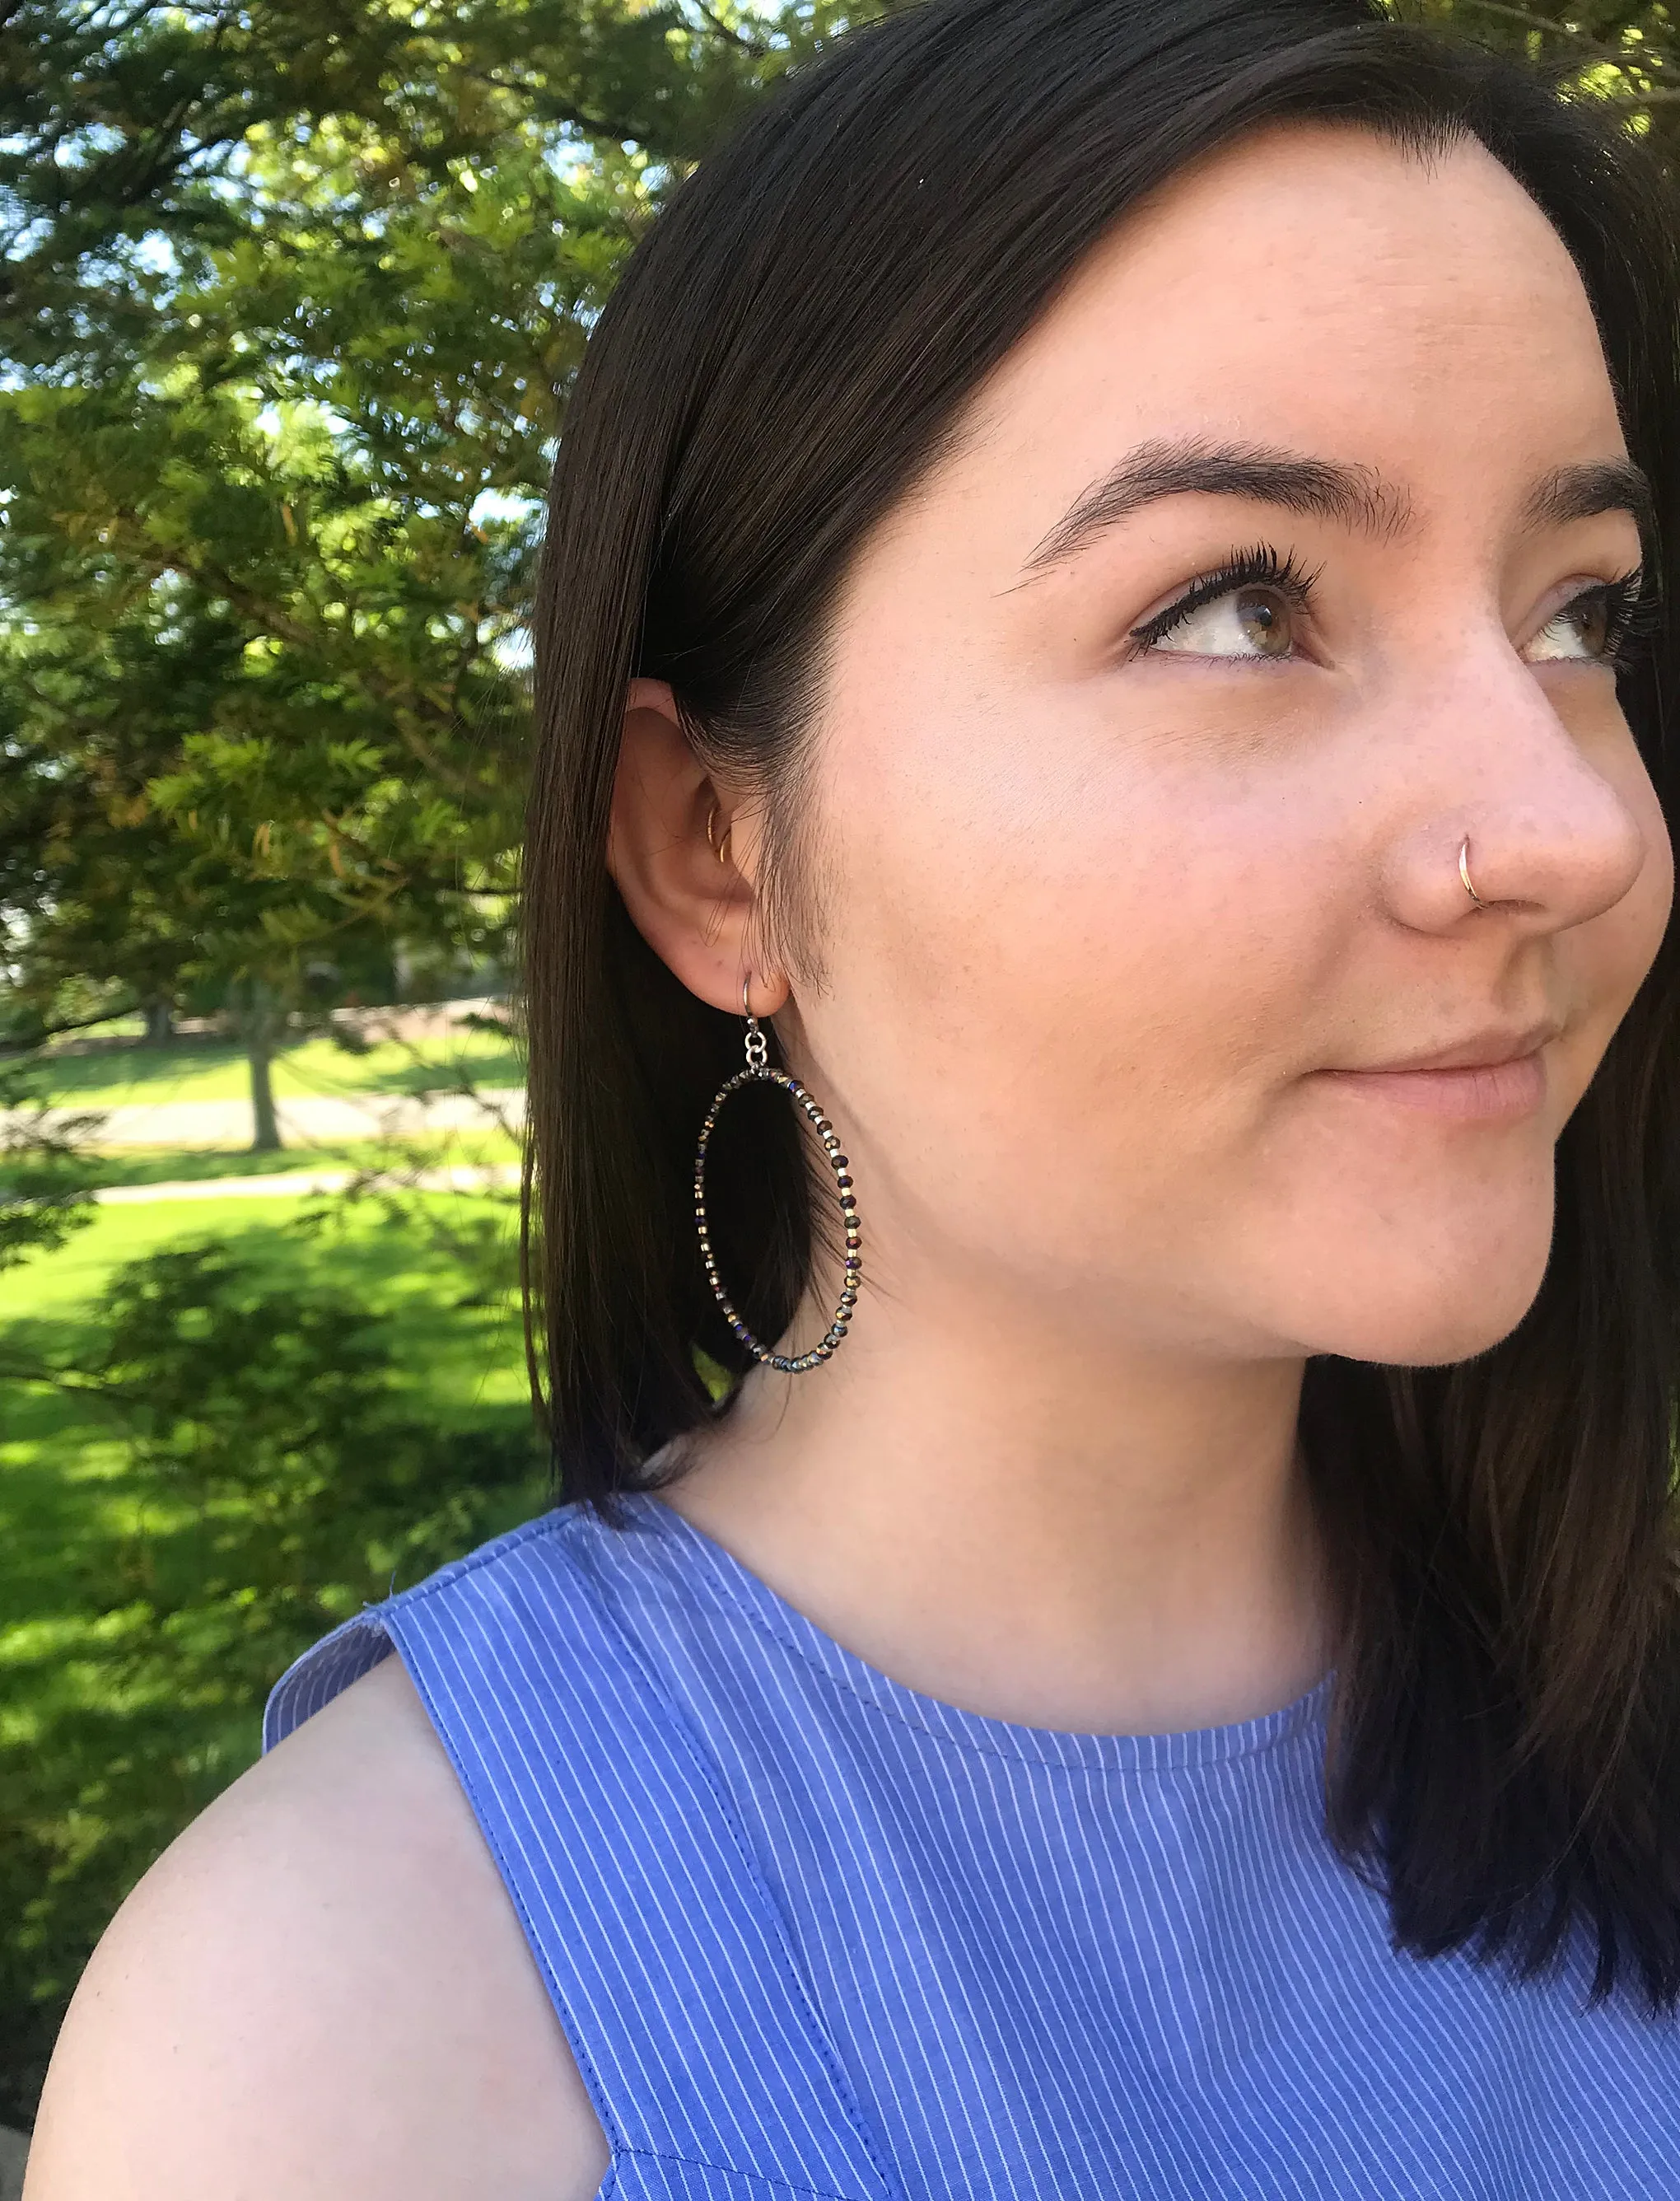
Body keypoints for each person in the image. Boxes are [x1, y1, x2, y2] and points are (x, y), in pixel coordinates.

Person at [26, 0, 1680, 2194]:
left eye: (1580, 615)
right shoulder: (348, 2044)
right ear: (724, 844)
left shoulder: (1618, 1718)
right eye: (1231, 605)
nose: (1563, 829)